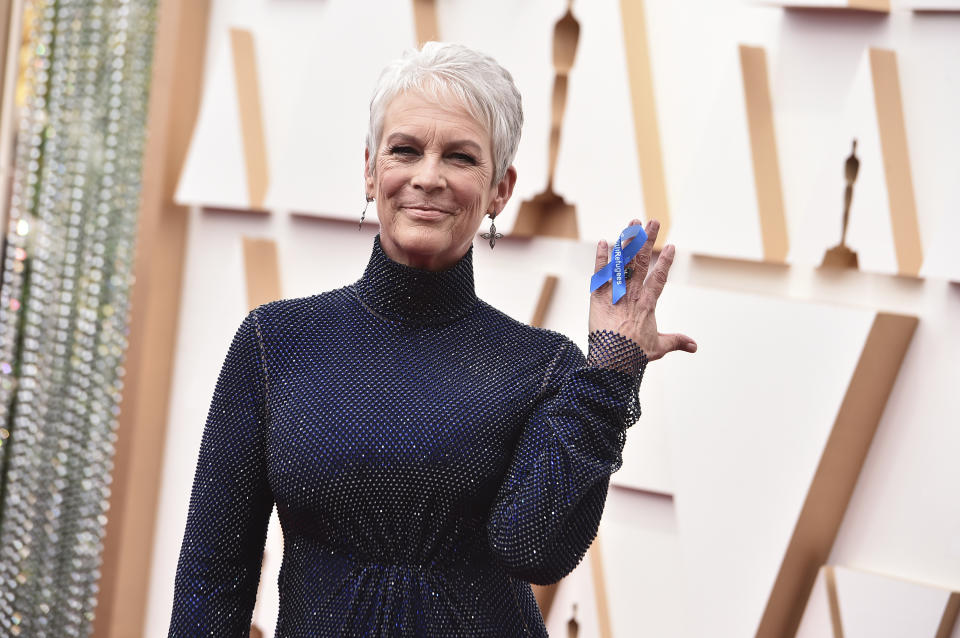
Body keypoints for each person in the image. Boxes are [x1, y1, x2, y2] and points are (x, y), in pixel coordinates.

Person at [168, 41, 696, 637]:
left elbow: (535, 551)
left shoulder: (543, 367)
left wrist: (612, 368)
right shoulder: (276, 342)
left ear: (500, 189)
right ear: (371, 170)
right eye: (406, 150)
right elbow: (212, 577)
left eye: (461, 158)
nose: (428, 177)